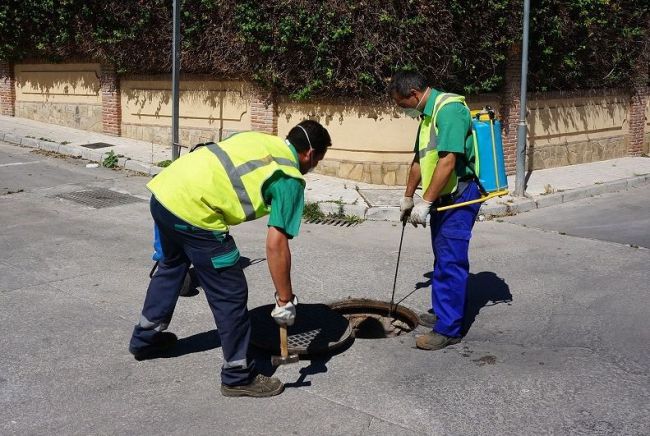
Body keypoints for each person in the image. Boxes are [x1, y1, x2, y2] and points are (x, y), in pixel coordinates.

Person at [128, 120, 332, 397]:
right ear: (309, 153)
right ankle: (237, 375)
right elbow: (276, 245)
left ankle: (145, 339)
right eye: (317, 160)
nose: (314, 165)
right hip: (195, 214)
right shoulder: (289, 178)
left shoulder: (261, 140)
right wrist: (285, 300)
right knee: (230, 292)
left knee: (171, 267)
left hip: (165, 193)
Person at [389, 71, 482, 351]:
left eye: (402, 105)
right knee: (442, 257)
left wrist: (426, 202)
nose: (403, 111)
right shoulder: (428, 116)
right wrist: (407, 197)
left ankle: (449, 329)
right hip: (442, 195)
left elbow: (448, 161)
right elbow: (420, 159)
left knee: (451, 261)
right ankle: (444, 312)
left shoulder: (450, 110)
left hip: (459, 196)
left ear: (414, 95)